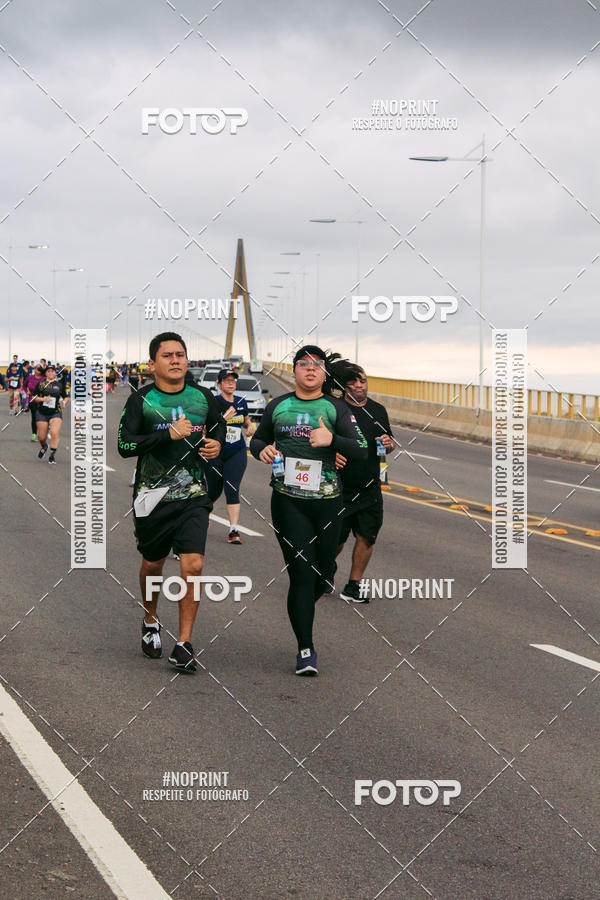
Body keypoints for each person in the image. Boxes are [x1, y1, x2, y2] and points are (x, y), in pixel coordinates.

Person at [250, 345, 367, 676]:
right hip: (288, 501)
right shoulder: (278, 406)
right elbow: (256, 441)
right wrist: (263, 449)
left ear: (324, 372)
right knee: (301, 574)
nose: (311, 369)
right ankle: (306, 649)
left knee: (323, 574)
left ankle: (307, 599)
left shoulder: (335, 409)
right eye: (304, 364)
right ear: (295, 370)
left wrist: (331, 440)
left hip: (328, 501)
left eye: (317, 364)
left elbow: (360, 450)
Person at [117, 332, 225, 673]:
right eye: (167, 355)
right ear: (153, 364)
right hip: (151, 497)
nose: (176, 360)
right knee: (153, 564)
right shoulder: (141, 400)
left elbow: (220, 430)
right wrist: (167, 434)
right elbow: (125, 445)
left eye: (180, 354)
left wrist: (215, 446)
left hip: (193, 494)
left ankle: (184, 643)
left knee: (192, 565)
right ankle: (150, 620)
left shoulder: (203, 397)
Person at [330, 361, 394, 603]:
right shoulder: (335, 408)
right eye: (354, 381)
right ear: (345, 386)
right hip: (339, 487)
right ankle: (326, 570)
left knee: (367, 536)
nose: (359, 385)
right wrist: (331, 454)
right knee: (335, 540)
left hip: (370, 486)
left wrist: (390, 444)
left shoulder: (378, 410)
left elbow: (389, 444)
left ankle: (353, 586)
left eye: (363, 380)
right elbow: (322, 440)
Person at [204, 369, 255, 544]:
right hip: (215, 451)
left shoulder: (241, 402)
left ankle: (233, 530)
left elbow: (246, 420)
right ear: (219, 384)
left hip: (236, 450)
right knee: (213, 489)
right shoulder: (213, 403)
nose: (231, 383)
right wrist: (224, 418)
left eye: (233, 380)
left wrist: (250, 426)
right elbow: (206, 429)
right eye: (226, 380)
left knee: (232, 488)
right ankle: (203, 515)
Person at [31, 365, 69, 463]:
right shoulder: (40, 384)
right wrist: (43, 399)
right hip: (42, 412)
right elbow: (34, 398)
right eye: (48, 371)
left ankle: (52, 456)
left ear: (55, 373)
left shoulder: (59, 385)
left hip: (55, 412)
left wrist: (64, 402)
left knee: (54, 432)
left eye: (52, 371)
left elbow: (65, 396)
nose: (50, 373)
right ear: (46, 373)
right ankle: (44, 447)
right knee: (42, 437)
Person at [23, 365, 45, 440]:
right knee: (34, 417)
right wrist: (27, 391)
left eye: (39, 370)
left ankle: (43, 432)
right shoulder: (30, 377)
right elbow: (24, 385)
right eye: (36, 369)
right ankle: (34, 434)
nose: (37, 371)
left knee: (42, 417)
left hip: (42, 400)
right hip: (32, 400)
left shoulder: (44, 378)